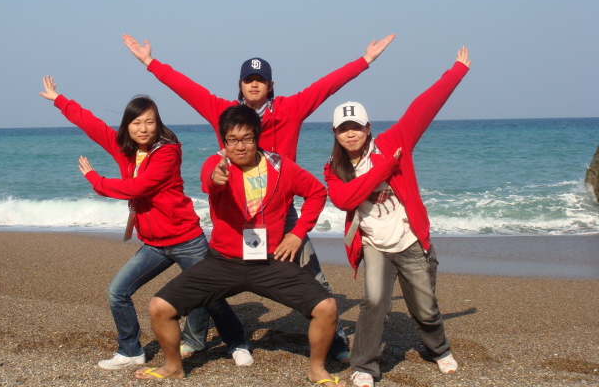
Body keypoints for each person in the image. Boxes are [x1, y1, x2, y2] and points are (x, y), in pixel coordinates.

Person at [123, 32, 395, 361]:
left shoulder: (291, 109)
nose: (254, 85)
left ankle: (336, 343)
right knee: (205, 277)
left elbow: (327, 86)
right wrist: (151, 62)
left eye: (260, 80)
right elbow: (188, 89)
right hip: (235, 216)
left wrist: (364, 61)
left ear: (270, 85)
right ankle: (195, 338)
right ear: (240, 85)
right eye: (248, 80)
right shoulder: (224, 113)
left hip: (281, 215)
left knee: (315, 278)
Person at [39, 77, 252, 369]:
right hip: (153, 244)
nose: (144, 128)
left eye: (150, 122)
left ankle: (237, 344)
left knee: (211, 298)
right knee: (118, 292)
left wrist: (96, 180)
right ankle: (130, 351)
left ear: (158, 124)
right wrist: (59, 100)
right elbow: (93, 125)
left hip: (186, 239)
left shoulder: (167, 152)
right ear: (127, 126)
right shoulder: (124, 149)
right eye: (137, 122)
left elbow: (138, 187)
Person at [135, 105, 345, 386]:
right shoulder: (216, 164)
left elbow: (317, 192)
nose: (240, 146)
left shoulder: (280, 166)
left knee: (327, 307)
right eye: (232, 140)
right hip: (223, 262)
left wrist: (297, 233)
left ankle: (317, 369)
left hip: (270, 261)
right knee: (160, 307)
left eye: (247, 138)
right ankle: (173, 367)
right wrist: (217, 178)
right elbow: (210, 182)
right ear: (224, 141)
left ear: (257, 138)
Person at [323, 47, 471, 387]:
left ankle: (439, 349)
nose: (350, 133)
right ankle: (364, 366)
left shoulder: (394, 141)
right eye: (343, 129)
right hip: (375, 244)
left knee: (425, 307)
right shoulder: (334, 169)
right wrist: (386, 169)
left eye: (356, 127)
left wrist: (456, 72)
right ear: (335, 133)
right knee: (373, 302)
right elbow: (345, 200)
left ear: (368, 128)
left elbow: (423, 108)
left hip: (409, 239)